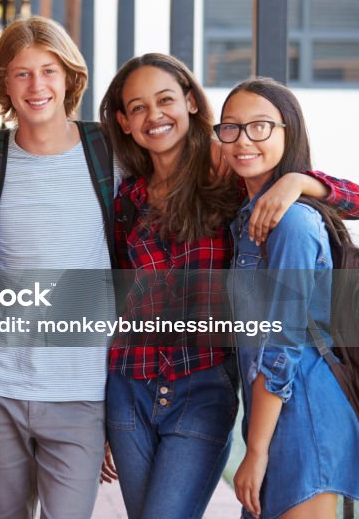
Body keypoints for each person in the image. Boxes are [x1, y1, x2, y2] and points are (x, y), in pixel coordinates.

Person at [98, 54, 359, 519]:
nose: (154, 115)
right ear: (124, 121)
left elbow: (350, 201)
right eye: (137, 107)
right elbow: (118, 299)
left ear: (191, 102)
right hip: (130, 383)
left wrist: (299, 182)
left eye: (165, 100)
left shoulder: (233, 182)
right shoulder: (127, 198)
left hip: (204, 385)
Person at [0, 16, 118, 519]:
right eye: (22, 73)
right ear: (4, 83)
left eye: (48, 70)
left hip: (81, 390)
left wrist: (301, 185)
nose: (36, 85)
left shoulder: (110, 153)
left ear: (69, 76)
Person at [218, 78, 359, 519]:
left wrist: (255, 450)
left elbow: (280, 346)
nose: (244, 140)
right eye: (231, 127)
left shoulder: (294, 222)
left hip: (305, 417)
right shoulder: (247, 218)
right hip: (273, 417)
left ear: (288, 131)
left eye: (260, 127)